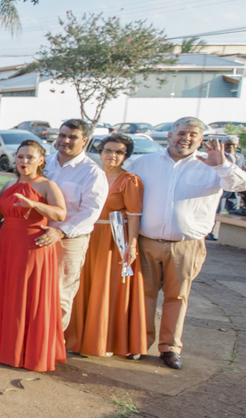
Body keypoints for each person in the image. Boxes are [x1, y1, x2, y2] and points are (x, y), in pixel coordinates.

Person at [126, 117, 246, 369]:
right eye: (182, 133)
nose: (186, 138)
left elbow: (239, 184)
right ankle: (138, 343)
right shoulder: (143, 163)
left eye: (193, 135)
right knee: (142, 296)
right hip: (147, 242)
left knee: (176, 297)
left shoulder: (212, 166)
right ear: (170, 135)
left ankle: (169, 348)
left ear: (200, 140)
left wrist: (223, 165)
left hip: (186, 245)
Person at [0, 140, 69, 372]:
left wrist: (35, 205)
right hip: (7, 245)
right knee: (7, 293)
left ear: (41, 160)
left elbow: (60, 213)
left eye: (29, 157)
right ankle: (2, 348)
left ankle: (28, 351)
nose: (24, 161)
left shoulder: (47, 185)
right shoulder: (8, 184)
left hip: (34, 247)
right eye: (20, 157)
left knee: (29, 295)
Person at [66, 134, 148, 359]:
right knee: (82, 286)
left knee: (107, 288)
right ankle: (77, 339)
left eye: (119, 152)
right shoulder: (91, 174)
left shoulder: (130, 180)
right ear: (100, 152)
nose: (112, 155)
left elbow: (134, 217)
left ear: (125, 156)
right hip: (88, 235)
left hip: (113, 238)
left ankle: (105, 340)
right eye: (108, 150)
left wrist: (131, 245)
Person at [43, 119, 109, 330]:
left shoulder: (91, 172)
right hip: (37, 236)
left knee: (60, 293)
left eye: (72, 137)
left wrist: (61, 232)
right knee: (35, 290)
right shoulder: (44, 163)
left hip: (68, 240)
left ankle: (52, 345)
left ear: (85, 141)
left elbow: (90, 211)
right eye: (62, 135)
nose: (66, 141)